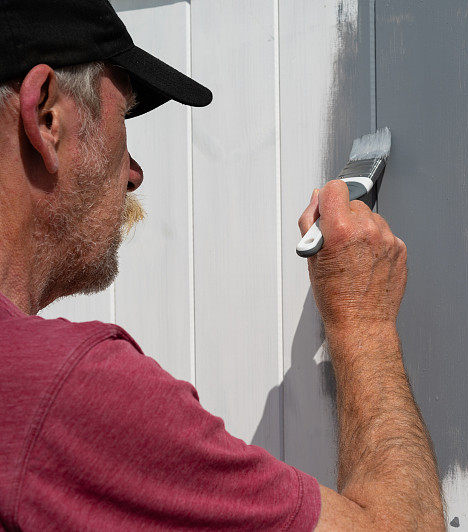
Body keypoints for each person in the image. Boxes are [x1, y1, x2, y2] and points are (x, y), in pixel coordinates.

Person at [0, 1, 444, 530]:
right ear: (46, 117)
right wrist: (362, 325)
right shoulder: (65, 392)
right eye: (120, 120)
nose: (134, 174)